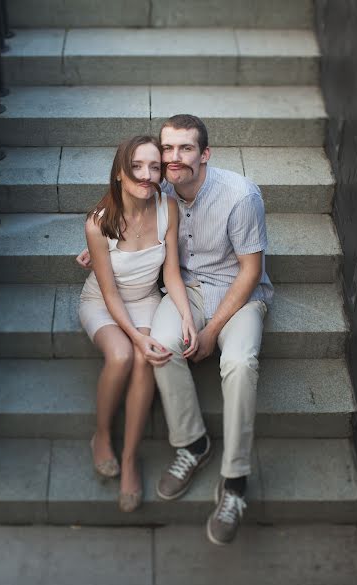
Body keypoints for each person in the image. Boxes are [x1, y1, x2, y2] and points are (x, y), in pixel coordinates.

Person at [77, 115, 273, 544]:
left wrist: (209, 331)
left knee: (239, 362)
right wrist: (96, 248)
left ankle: (235, 480)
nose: (172, 159)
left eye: (185, 149)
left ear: (205, 154)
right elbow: (120, 197)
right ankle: (193, 443)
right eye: (168, 149)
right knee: (161, 345)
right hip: (185, 290)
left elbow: (251, 272)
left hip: (237, 295)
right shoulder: (160, 184)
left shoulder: (240, 196)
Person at [79, 135, 198, 513]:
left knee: (150, 357)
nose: (147, 175)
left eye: (154, 167)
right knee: (121, 356)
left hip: (147, 300)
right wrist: (133, 337)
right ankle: (101, 436)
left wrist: (186, 317)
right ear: (119, 173)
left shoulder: (167, 208)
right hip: (102, 302)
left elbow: (173, 274)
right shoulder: (98, 225)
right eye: (137, 167)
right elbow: (111, 296)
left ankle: (129, 459)